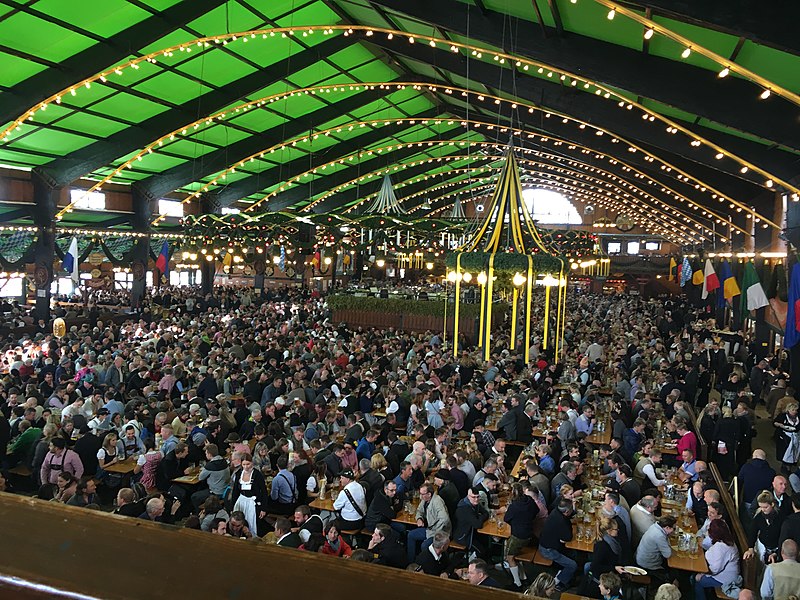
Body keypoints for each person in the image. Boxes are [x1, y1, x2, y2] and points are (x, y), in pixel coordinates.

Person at [503, 482, 539, 589]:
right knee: (515, 555)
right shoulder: (530, 500)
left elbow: (506, 518)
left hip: (518, 535)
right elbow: (536, 511)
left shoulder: (514, 506)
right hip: (529, 533)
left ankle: (517, 583)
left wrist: (515, 522)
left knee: (509, 557)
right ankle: (523, 577)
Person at [694, 519, 740, 600]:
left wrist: (702, 574)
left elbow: (715, 569)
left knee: (697, 581)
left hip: (724, 579)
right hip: (723, 575)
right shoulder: (728, 540)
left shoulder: (722, 547)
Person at [406, 482, 451, 563]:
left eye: (423, 494)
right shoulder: (425, 500)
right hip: (429, 529)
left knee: (424, 545)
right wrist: (419, 518)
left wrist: (436, 531)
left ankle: (425, 564)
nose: (420, 496)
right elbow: (419, 510)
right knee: (411, 535)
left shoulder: (437, 501)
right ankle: (411, 562)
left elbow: (445, 519)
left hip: (440, 532)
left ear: (429, 494)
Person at [538, 498, 577, 591]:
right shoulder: (561, 521)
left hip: (547, 545)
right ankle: (557, 583)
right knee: (573, 565)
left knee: (573, 553)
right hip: (548, 550)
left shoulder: (556, 511)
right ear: (567, 511)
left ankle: (563, 572)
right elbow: (568, 537)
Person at [584, 516, 625, 598]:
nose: (618, 531)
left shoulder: (612, 541)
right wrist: (614, 568)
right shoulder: (602, 546)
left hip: (609, 574)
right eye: (616, 529)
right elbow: (595, 566)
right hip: (602, 582)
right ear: (609, 531)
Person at [230, 454, 268, 535]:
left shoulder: (257, 475)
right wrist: (232, 506)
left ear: (252, 463)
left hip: (252, 503)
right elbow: (235, 491)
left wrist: (263, 508)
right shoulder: (239, 474)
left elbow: (264, 492)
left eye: (248, 464)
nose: (246, 467)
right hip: (241, 501)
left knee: (251, 523)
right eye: (244, 464)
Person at [744, 491, 782, 564]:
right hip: (763, 546)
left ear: (772, 504)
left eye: (765, 507)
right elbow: (753, 532)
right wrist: (750, 548)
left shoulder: (780, 517)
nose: (763, 510)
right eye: (761, 507)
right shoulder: (758, 517)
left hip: (777, 547)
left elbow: (784, 536)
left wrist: (778, 552)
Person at [635, 516, 676, 584]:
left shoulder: (655, 526)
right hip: (648, 563)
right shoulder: (659, 536)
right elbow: (667, 554)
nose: (674, 531)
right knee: (673, 573)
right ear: (667, 528)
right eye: (674, 528)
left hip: (640, 557)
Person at [774, 403, 800, 475]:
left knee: (794, 452)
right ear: (788, 410)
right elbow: (775, 422)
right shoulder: (783, 416)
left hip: (795, 436)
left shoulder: (798, 417)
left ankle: (790, 466)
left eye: (795, 410)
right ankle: (786, 467)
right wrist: (780, 425)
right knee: (786, 452)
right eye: (793, 410)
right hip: (785, 436)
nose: (794, 411)